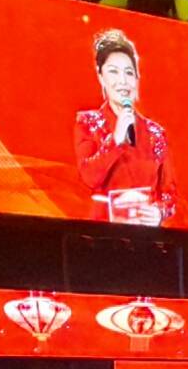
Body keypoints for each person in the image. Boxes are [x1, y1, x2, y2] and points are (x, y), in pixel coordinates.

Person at [72, 25, 175, 227]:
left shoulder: (155, 133)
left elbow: (169, 192)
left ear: (137, 78)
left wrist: (159, 211)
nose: (123, 81)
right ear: (101, 76)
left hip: (145, 237)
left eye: (129, 73)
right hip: (102, 233)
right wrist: (115, 140)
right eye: (113, 72)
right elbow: (89, 177)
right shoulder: (88, 123)